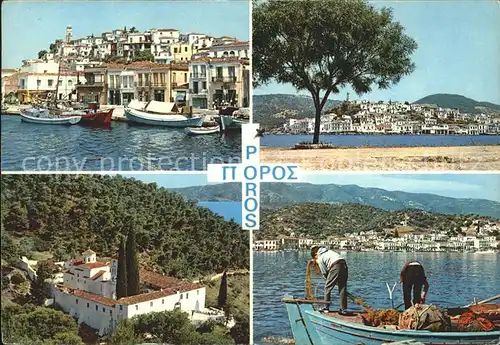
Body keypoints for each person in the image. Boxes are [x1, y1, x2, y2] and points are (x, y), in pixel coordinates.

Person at [310, 245, 348, 313]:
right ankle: (343, 309)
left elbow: (324, 272)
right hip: (344, 264)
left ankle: (326, 308)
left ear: (315, 254)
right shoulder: (328, 251)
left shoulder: (319, 258)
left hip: (335, 266)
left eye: (314, 258)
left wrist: (327, 279)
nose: (315, 260)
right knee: (342, 288)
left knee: (327, 287)